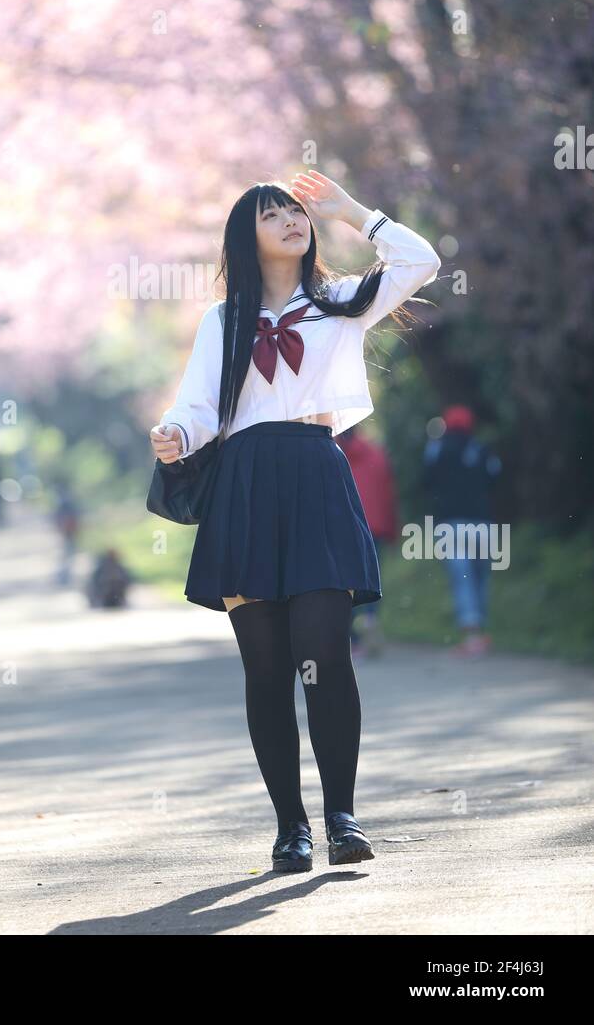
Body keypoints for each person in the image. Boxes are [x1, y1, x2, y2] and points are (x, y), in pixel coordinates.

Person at [149, 170, 440, 873]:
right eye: (271, 214)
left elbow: (421, 263)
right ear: (244, 237)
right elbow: (198, 407)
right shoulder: (224, 320)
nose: (290, 219)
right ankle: (291, 827)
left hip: (315, 475)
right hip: (245, 487)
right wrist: (174, 436)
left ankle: (343, 816)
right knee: (267, 670)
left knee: (325, 655)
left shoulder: (339, 301)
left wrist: (352, 213)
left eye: (294, 211)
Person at [422, 405, 502, 658]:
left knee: (462, 578)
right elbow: (495, 477)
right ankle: (481, 632)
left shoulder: (436, 448)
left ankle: (471, 635)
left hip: (451, 524)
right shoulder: (481, 449)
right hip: (481, 522)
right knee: (480, 578)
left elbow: (426, 479)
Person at [337, 422, 399, 658]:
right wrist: (392, 529)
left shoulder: (331, 453)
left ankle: (353, 639)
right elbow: (388, 494)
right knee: (372, 581)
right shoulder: (376, 453)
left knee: (345, 584)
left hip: (343, 527)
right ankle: (371, 620)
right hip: (375, 528)